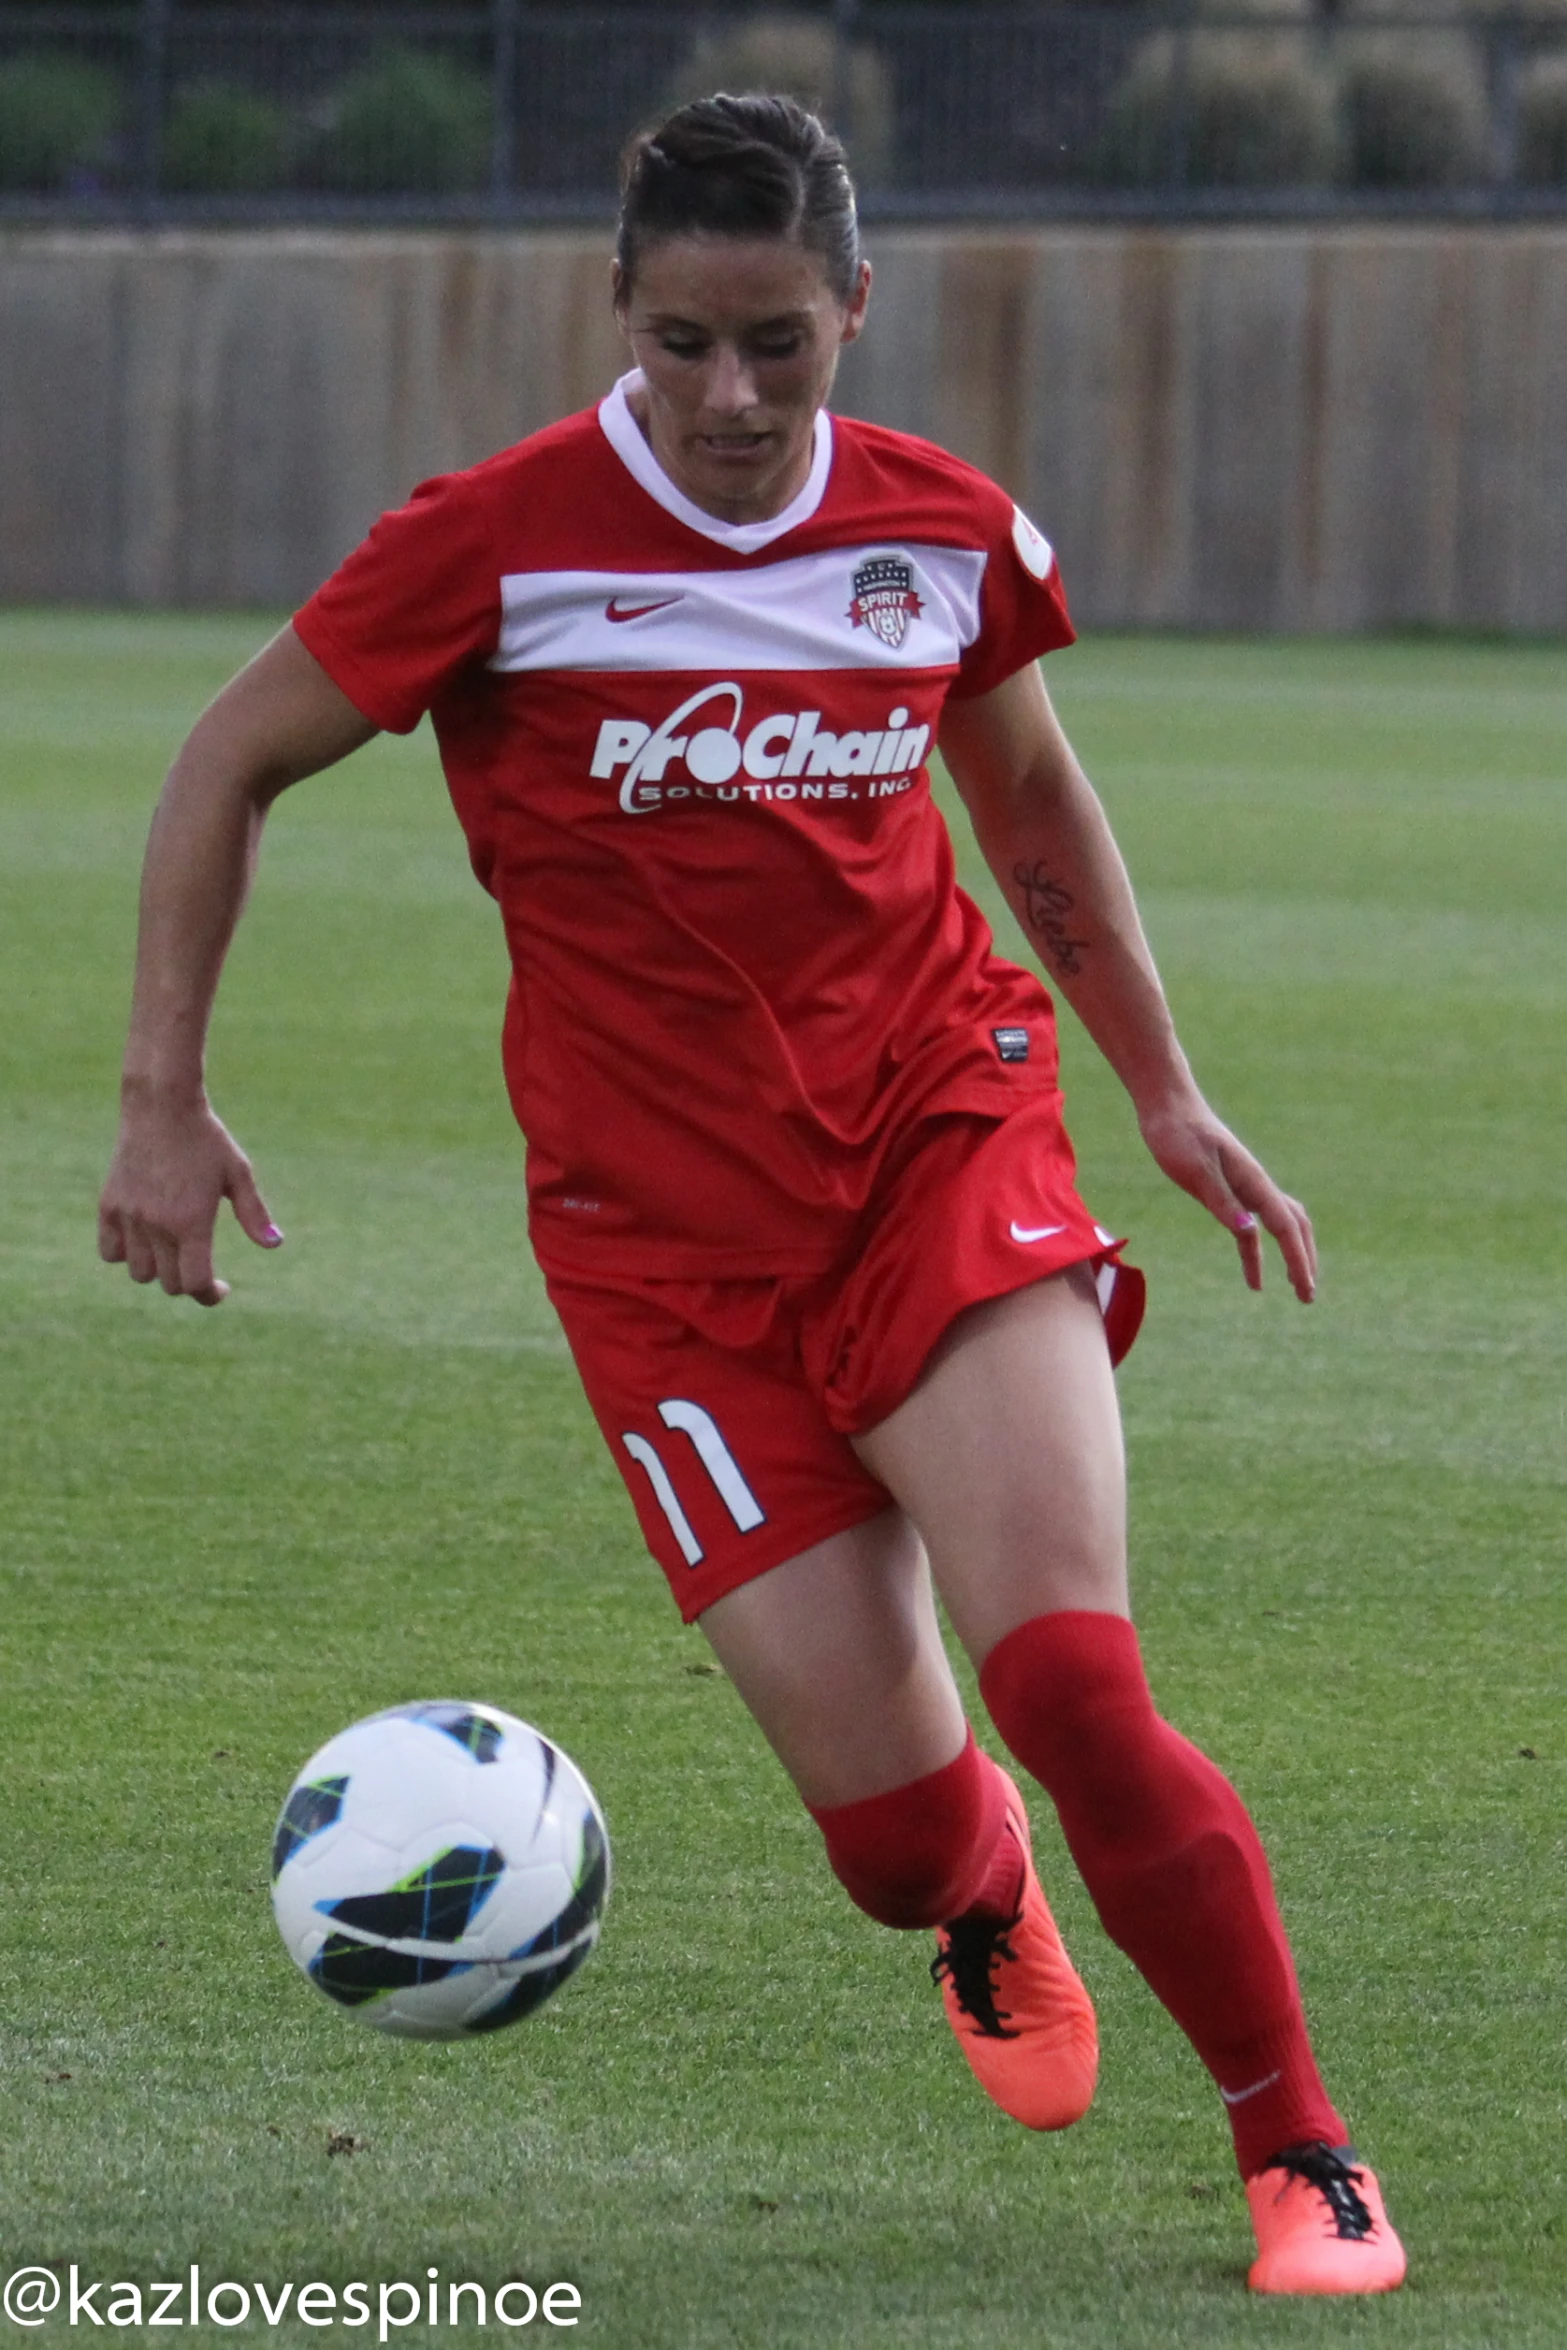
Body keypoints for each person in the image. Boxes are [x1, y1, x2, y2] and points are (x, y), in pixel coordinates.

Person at [98, 94, 1405, 2296]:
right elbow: (227, 756)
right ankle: (979, 1883)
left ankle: (1307, 2152)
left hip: (937, 1135)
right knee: (894, 1844)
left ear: (852, 314)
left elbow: (1037, 808)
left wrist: (1161, 1090)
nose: (730, 394)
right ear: (622, 307)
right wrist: (160, 1096)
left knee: (1080, 1679)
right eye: (689, 339)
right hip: (661, 1253)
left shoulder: (946, 532)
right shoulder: (496, 543)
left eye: (779, 346)